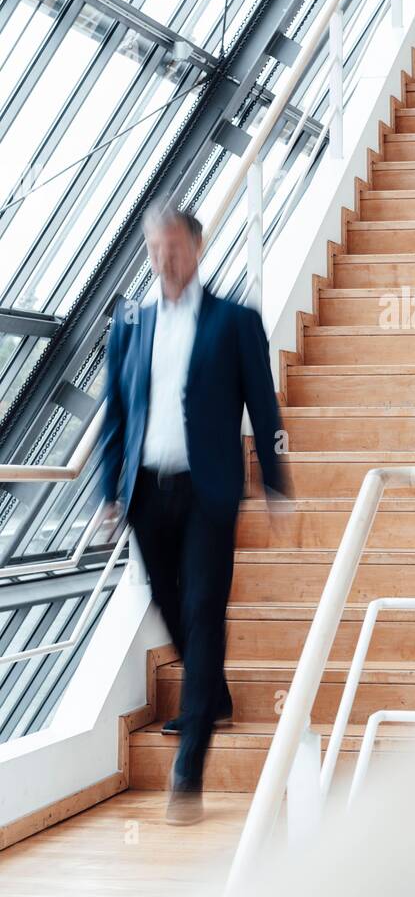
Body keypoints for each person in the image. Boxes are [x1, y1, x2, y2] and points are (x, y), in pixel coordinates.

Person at [100, 204, 284, 824]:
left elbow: (263, 401)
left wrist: (276, 482)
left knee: (205, 608)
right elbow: (116, 416)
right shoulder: (129, 324)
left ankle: (189, 769)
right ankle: (214, 692)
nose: (164, 259)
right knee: (168, 601)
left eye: (174, 247)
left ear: (198, 249)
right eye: (155, 248)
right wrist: (108, 493)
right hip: (147, 492)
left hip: (209, 492)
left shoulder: (235, 321)